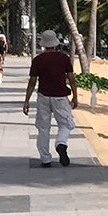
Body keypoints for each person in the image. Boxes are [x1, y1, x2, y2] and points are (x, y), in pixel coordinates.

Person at [23, 31, 78, 167]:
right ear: (55, 44)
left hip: (43, 97)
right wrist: (75, 97)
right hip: (60, 96)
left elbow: (32, 82)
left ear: (43, 45)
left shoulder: (38, 60)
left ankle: (45, 159)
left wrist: (27, 100)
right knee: (66, 124)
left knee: (43, 128)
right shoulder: (63, 58)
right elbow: (71, 80)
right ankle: (61, 143)